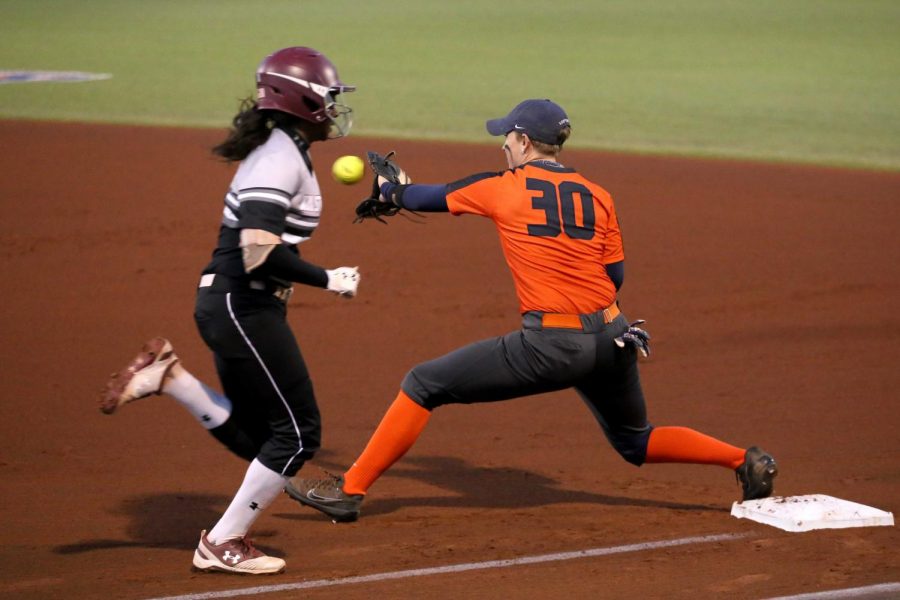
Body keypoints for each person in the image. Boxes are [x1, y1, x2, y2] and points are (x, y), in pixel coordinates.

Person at [285, 98, 778, 524]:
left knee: (423, 383)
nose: (503, 144)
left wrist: (390, 192)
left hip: (551, 346)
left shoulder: (504, 185)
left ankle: (348, 493)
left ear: (523, 140)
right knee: (635, 442)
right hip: (614, 338)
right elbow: (616, 278)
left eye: (507, 137)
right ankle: (744, 460)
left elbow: (426, 196)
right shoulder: (599, 196)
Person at [100, 46, 361, 575]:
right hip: (243, 306)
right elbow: (259, 249)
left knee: (262, 435)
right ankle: (223, 541)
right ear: (304, 99)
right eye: (329, 98)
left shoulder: (283, 149)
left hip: (234, 304)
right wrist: (328, 279)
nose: (334, 108)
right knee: (298, 433)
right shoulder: (279, 157)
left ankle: (171, 379)